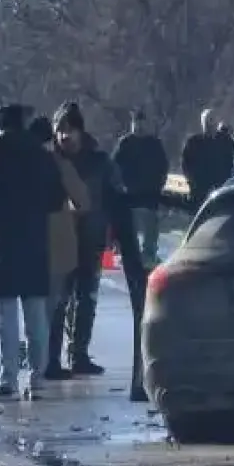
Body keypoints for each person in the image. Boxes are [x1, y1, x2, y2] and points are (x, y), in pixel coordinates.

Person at [48, 103, 147, 385]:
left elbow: (116, 198)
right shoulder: (51, 162)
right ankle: (53, 357)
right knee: (58, 302)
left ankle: (79, 353)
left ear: (80, 131)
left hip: (91, 237)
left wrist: (118, 233)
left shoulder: (100, 162)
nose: (65, 137)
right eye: (60, 131)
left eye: (70, 130)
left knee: (87, 299)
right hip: (60, 240)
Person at [0, 103, 65, 399]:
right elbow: (58, 200)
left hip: (1, 241)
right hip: (35, 241)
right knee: (36, 314)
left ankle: (9, 379)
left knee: (6, 315)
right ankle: (38, 378)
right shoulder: (42, 157)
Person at [41, 113, 92, 379]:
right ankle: (48, 362)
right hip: (57, 242)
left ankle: (24, 366)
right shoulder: (58, 165)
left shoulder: (11, 164)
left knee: (25, 310)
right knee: (55, 306)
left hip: (21, 246)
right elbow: (83, 201)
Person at [113, 109, 171, 268]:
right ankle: (130, 255)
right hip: (130, 193)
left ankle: (149, 256)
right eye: (136, 123)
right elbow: (115, 166)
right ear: (132, 124)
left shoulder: (154, 143)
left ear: (146, 124)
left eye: (141, 123)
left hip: (150, 193)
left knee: (150, 230)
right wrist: (120, 185)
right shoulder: (125, 143)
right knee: (130, 228)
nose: (139, 126)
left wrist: (159, 184)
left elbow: (163, 166)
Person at [179, 109, 234, 212]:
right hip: (199, 191)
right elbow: (186, 164)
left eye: (212, 120)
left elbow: (233, 162)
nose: (209, 124)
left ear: (217, 122)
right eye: (207, 121)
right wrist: (192, 182)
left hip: (221, 189)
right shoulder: (194, 142)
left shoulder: (226, 142)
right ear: (202, 123)